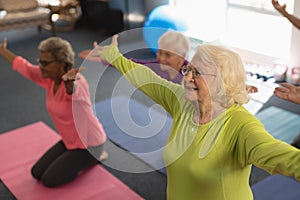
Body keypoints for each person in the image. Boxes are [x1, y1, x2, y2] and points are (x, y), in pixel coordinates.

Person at [90, 34, 300, 200]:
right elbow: (146, 77)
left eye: (198, 72)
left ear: (223, 80)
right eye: (188, 69)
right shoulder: (182, 102)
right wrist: (114, 56)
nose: (188, 77)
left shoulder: (242, 127)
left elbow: (287, 159)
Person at [0, 37, 108, 188]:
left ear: (62, 65)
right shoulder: (49, 78)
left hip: (89, 145)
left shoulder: (78, 82)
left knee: (49, 180)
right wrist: (2, 51)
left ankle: (94, 159)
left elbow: (75, 93)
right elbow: (24, 67)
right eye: (40, 61)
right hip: (69, 141)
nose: (41, 66)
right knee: (36, 172)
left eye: (45, 63)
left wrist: (71, 85)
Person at [79, 30, 189, 84]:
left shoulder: (194, 76)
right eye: (159, 52)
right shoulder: (157, 67)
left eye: (168, 54)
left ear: (182, 57)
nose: (161, 58)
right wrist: (108, 57)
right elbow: (133, 64)